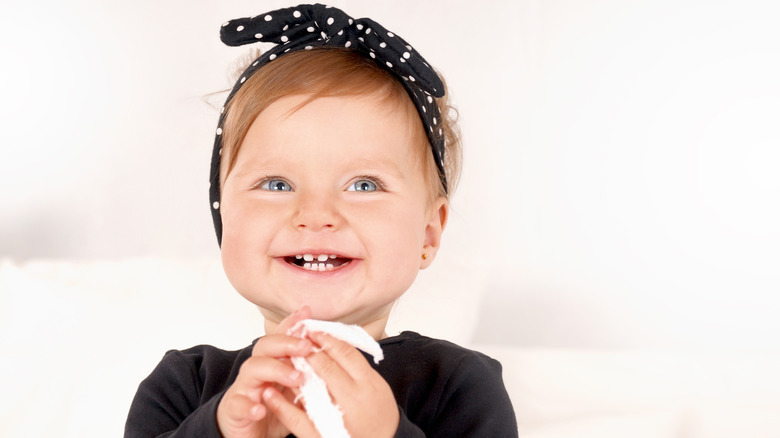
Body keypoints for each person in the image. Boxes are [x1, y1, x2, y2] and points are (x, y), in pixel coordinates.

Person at [125, 4, 517, 437]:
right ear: (224, 217)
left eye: (364, 185)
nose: (316, 215)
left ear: (428, 232)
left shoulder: (457, 385)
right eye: (276, 184)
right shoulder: (184, 385)